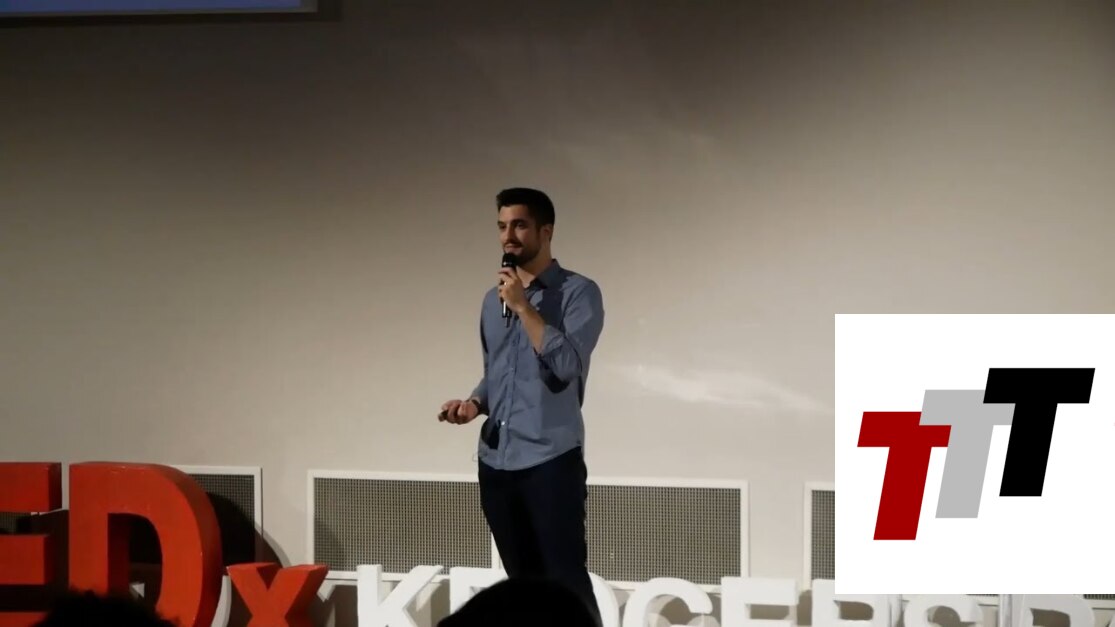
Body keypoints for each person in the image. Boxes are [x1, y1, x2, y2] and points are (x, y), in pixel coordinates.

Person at [438, 187, 605, 625]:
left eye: (519, 226)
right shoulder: (491, 300)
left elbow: (566, 367)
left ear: (546, 231)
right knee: (523, 587)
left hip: (550, 459)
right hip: (497, 461)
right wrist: (474, 403)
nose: (508, 237)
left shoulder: (579, 293)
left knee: (566, 585)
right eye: (501, 226)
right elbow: (499, 373)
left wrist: (524, 307)